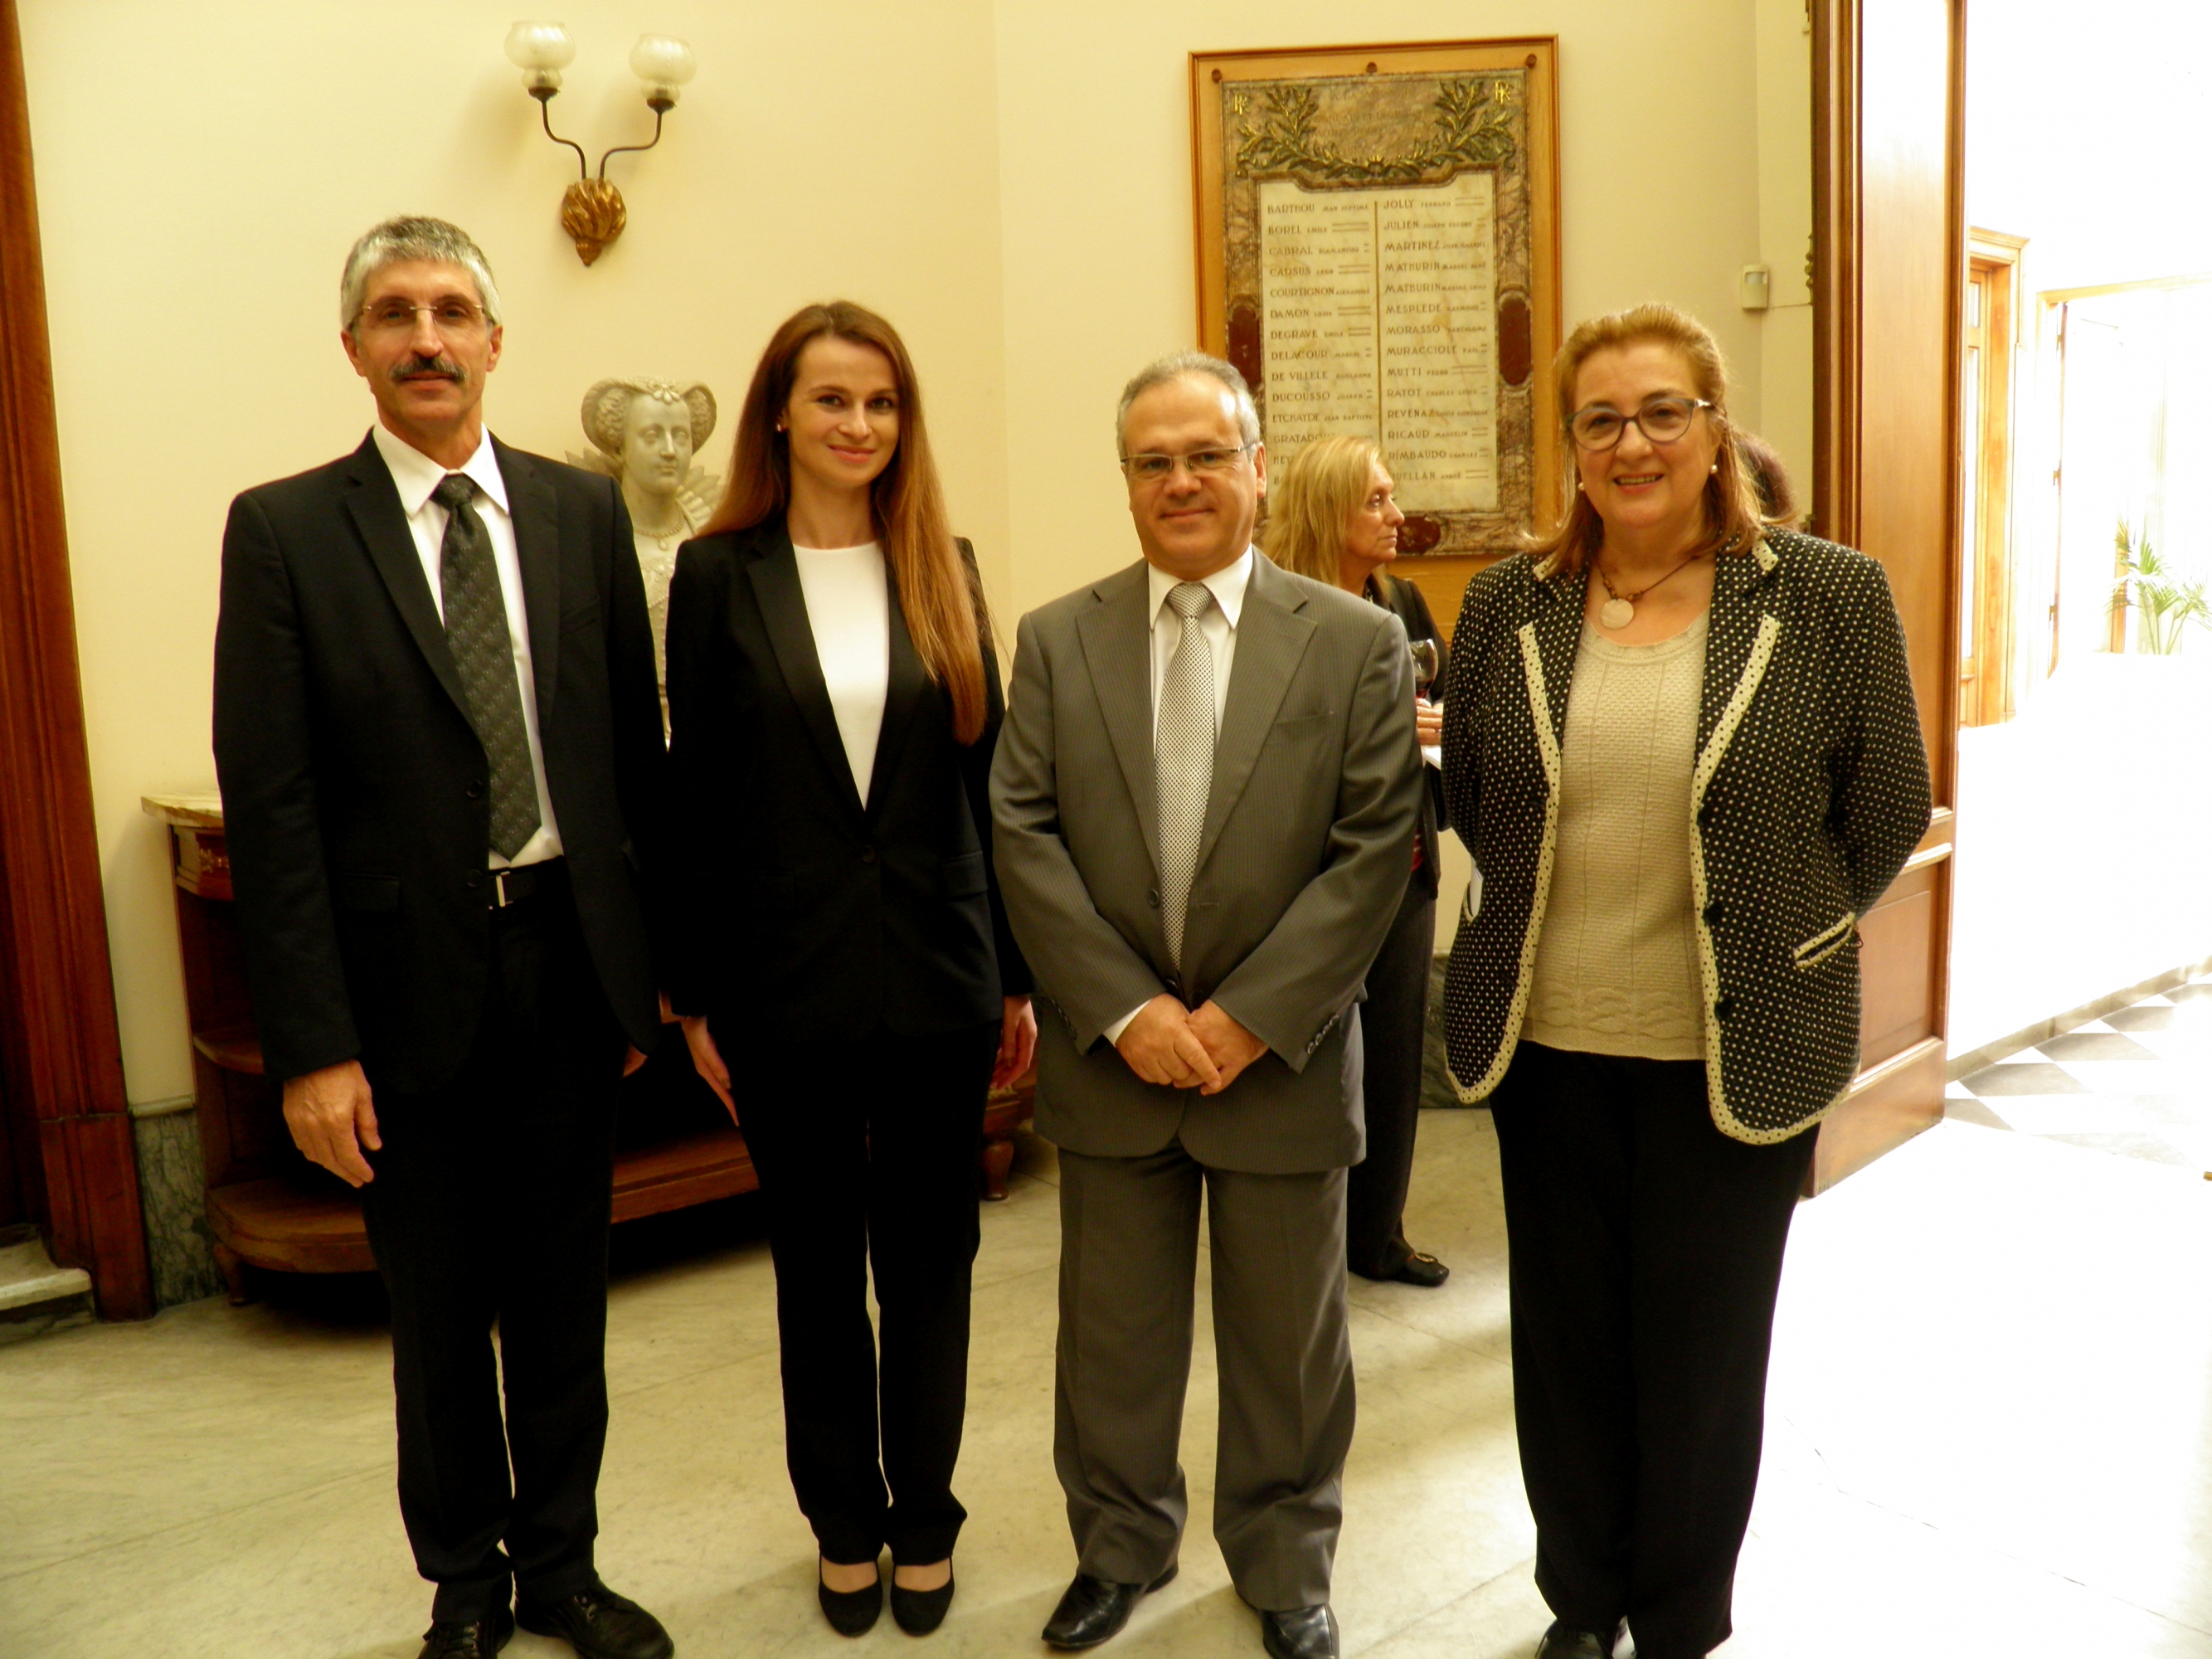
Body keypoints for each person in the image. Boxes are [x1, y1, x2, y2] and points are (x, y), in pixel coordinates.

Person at [1437, 303, 1932, 1659]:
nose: (1633, 443)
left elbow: (1887, 802)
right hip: (1547, 1046)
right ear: (1571, 449)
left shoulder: (1826, 596)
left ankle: (1674, 1621)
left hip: (1739, 1044)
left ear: (1715, 428)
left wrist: (1778, 924)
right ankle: (1578, 1606)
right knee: (1566, 1350)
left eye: (1664, 411)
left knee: (1701, 1363)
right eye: (1600, 420)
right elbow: (1480, 796)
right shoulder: (1507, 603)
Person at [212, 216, 674, 1659]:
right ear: (355, 347)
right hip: (400, 994)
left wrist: (648, 975)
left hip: (564, 971)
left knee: (561, 1306)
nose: (427, 337)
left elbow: (626, 767)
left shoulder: (581, 515)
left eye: (454, 310)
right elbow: (272, 807)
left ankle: (565, 1569)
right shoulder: (287, 531)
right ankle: (466, 1588)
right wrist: (312, 1049)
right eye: (396, 314)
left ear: (493, 339)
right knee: (437, 1318)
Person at [991, 352, 1422, 1659]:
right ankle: (1118, 1549)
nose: (1178, 481)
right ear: (1125, 480)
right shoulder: (1058, 638)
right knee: (1110, 1346)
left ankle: (1285, 1563)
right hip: (1115, 1063)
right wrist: (1130, 1013)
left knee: (1289, 1347)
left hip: (1278, 1065)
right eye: (1149, 460)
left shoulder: (1350, 641)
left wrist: (1243, 1019)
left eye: (1202, 455)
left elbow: (1371, 848)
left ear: (1253, 465)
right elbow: (1020, 830)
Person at [663, 301, 1036, 1640]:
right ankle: (840, 1521)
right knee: (815, 1271)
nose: (857, 425)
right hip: (781, 987)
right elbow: (693, 799)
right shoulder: (717, 578)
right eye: (831, 400)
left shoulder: (947, 564)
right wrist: (694, 993)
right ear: (779, 412)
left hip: (937, 974)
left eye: (879, 403)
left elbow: (983, 784)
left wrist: (1011, 974)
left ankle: (925, 1520)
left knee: (931, 1263)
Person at [1262, 434, 1451, 1289]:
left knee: (1392, 1065)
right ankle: (1299, 1238)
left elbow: (1445, 717)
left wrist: (1439, 734)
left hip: (1403, 872)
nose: (1395, 513)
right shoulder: (1274, 612)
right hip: (1304, 879)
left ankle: (1379, 1234)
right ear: (1328, 509)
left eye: (1391, 494)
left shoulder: (1405, 601)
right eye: (1376, 499)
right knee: (1301, 1067)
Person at [575, 377, 720, 734]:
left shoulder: (714, 535)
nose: (669, 450)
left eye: (681, 437)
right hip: (623, 726)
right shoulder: (591, 541)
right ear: (620, 448)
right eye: (652, 437)